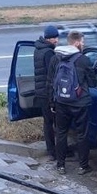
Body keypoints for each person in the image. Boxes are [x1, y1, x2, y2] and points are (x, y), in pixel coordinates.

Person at [47, 30, 96, 175]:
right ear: (76, 42)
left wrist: (52, 103)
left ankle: (60, 165)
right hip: (80, 103)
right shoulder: (84, 60)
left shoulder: (56, 58)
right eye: (82, 42)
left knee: (61, 133)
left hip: (61, 102)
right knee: (82, 134)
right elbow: (93, 83)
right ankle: (83, 166)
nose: (83, 44)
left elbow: (50, 82)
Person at [33, 24, 59, 161]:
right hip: (47, 92)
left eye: (56, 37)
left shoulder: (38, 49)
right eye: (54, 38)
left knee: (47, 122)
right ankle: (55, 151)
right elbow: (52, 74)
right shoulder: (48, 52)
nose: (56, 40)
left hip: (40, 91)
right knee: (54, 122)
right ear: (48, 39)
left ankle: (51, 149)